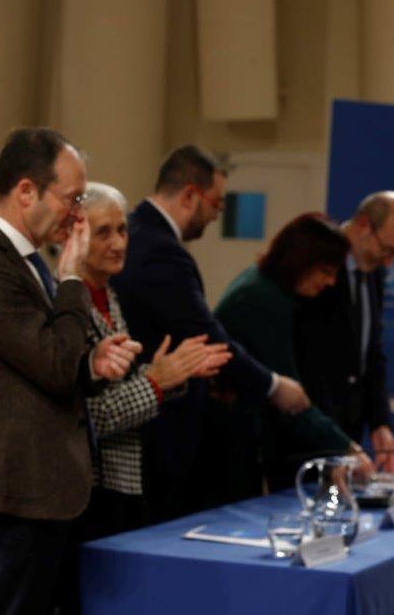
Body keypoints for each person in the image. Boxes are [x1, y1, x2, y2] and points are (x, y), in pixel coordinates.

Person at [0, 128, 136, 614]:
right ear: (26, 191)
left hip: (41, 494)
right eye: (72, 199)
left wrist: (91, 364)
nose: (77, 213)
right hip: (10, 498)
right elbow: (51, 363)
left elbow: (44, 364)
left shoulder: (24, 262)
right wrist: (71, 278)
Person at [111, 145, 311, 519]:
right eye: (216, 204)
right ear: (190, 195)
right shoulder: (159, 249)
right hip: (156, 431)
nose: (217, 215)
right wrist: (272, 385)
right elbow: (205, 338)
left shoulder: (146, 235)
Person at [79, 182, 232, 537]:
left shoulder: (109, 295)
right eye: (103, 233)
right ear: (74, 235)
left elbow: (117, 388)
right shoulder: (68, 305)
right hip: (89, 493)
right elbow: (87, 416)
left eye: (121, 230)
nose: (118, 244)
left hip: (125, 484)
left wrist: (175, 372)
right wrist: (156, 381)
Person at [214, 213, 375, 492]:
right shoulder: (264, 299)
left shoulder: (270, 289)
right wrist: (346, 448)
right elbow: (291, 400)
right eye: (326, 271)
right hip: (225, 445)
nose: (331, 282)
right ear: (301, 261)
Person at [296, 192, 394, 473]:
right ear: (363, 224)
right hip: (310, 434)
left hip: (349, 430)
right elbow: (308, 361)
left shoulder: (372, 272)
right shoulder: (317, 267)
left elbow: (371, 353)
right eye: (387, 250)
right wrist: (334, 442)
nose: (389, 262)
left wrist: (380, 422)